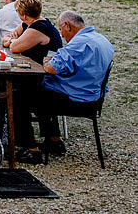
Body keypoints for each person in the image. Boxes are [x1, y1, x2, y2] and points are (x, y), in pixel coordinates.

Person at [15, 10, 114, 163]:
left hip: (75, 97)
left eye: (61, 29)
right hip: (93, 96)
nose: (61, 35)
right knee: (42, 90)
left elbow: (51, 68)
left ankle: (31, 149)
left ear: (67, 26)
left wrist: (47, 61)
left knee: (21, 96)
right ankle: (55, 140)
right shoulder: (101, 40)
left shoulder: (78, 44)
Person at [2, 0, 63, 64]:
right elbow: (4, 40)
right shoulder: (26, 24)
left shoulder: (39, 28)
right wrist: (12, 40)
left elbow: (14, 47)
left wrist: (11, 41)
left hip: (43, 71)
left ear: (24, 15)